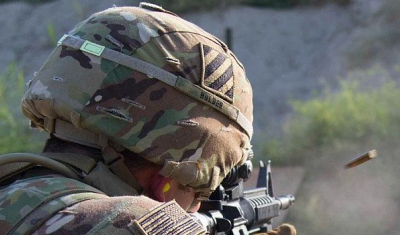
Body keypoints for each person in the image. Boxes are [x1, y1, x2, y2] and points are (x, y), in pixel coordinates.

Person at [0, 2, 296, 235]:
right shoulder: (140, 225)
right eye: (197, 197)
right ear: (165, 183)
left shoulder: (12, 193)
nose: (194, 210)